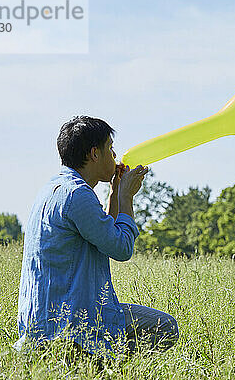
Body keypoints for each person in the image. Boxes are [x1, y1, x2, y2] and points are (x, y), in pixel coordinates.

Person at [14, 116, 179, 356]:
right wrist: (126, 198)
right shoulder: (77, 196)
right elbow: (121, 248)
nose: (115, 156)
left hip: (42, 321)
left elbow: (104, 236)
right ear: (94, 154)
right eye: (110, 149)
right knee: (166, 328)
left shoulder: (55, 189)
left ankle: (100, 362)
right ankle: (104, 363)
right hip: (73, 320)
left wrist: (115, 191)